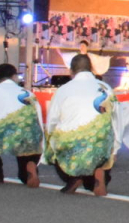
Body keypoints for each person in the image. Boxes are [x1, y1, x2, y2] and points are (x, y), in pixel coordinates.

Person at [42, 54, 120, 195]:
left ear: (71, 72)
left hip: (71, 146)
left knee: (57, 145)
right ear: (91, 69)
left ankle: (73, 178)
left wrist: (49, 142)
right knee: (99, 160)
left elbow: (52, 120)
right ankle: (99, 174)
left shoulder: (63, 90)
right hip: (100, 146)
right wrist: (115, 149)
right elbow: (117, 120)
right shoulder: (106, 88)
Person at [0, 63, 43, 187]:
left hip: (2, 138)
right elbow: (38, 118)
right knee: (26, 143)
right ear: (14, 76)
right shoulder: (28, 93)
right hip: (28, 137)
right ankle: (29, 166)